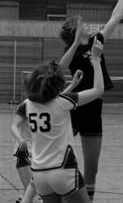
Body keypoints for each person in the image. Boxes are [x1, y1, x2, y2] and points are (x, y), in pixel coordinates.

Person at [58, 0, 123, 201]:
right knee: (60, 156)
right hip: (75, 107)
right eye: (81, 23)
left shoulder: (96, 42)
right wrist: (74, 44)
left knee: (92, 167)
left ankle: (88, 200)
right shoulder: (70, 52)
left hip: (94, 109)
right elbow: (58, 69)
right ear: (75, 31)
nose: (86, 24)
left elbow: (115, 17)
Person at [10, 33, 104, 203]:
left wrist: (73, 85)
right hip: (63, 170)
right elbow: (98, 90)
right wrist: (96, 60)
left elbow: (55, 101)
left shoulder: (28, 105)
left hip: (39, 175)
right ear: (56, 84)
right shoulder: (63, 102)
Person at [11, 69, 84, 203]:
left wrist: (73, 84)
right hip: (25, 152)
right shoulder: (26, 105)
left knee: (34, 194)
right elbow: (13, 126)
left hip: (40, 154)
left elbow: (59, 99)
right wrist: (20, 139)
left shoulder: (47, 102)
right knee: (32, 193)